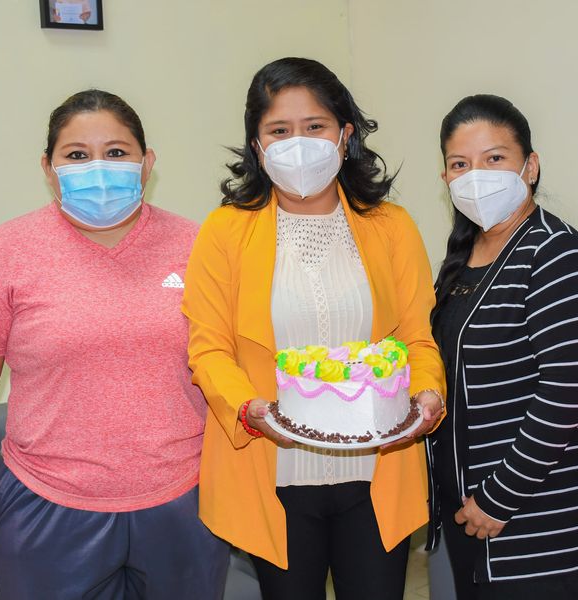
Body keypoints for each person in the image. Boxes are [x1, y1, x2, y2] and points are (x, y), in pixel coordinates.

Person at [0, 89, 229, 599]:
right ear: (48, 169)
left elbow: (230, 362)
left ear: (147, 162)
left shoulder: (200, 247)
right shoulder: (4, 253)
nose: (99, 168)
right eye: (76, 155)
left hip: (185, 496)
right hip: (47, 502)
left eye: (116, 152)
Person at [182, 57, 446, 600]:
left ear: (345, 135)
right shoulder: (224, 231)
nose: (298, 144)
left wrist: (427, 392)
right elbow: (209, 349)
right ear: (257, 145)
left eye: (315, 126)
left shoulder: (392, 227)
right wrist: (248, 409)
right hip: (271, 471)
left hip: (378, 470)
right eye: (279, 130)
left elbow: (417, 338)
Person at [426, 94, 578, 599]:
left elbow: (567, 391)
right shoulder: (465, 253)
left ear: (530, 166)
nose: (475, 175)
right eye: (460, 164)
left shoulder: (555, 252)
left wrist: (500, 497)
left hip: (529, 520)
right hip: (468, 512)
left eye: (494, 158)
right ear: (445, 177)